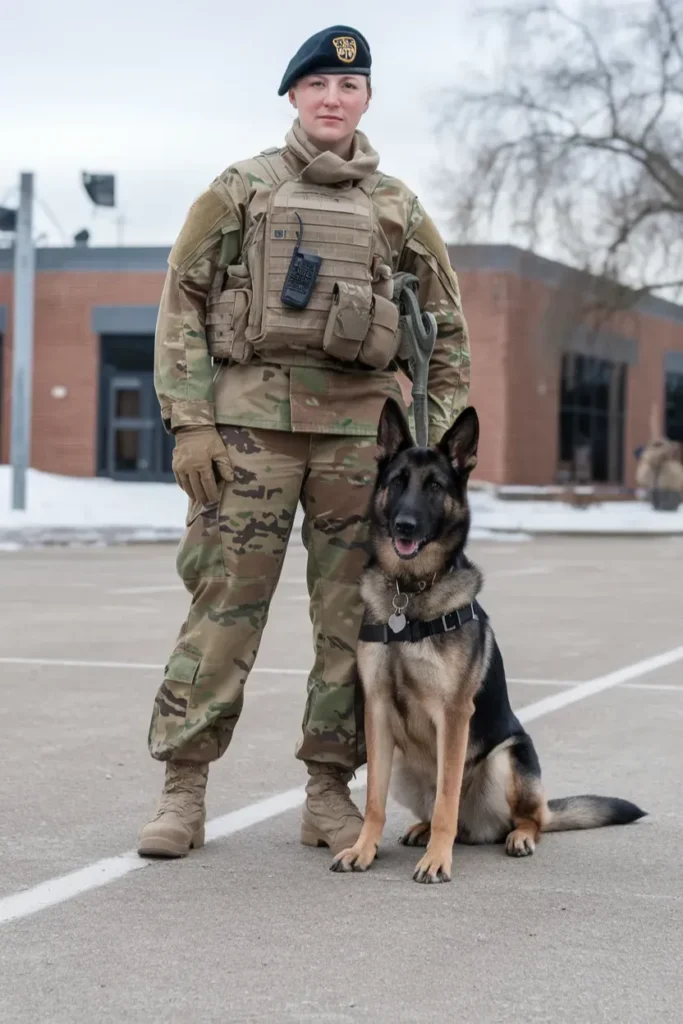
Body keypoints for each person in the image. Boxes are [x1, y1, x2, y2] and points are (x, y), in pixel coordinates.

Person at [137, 24, 471, 859]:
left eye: (348, 88)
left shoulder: (399, 208)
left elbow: (450, 333)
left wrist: (424, 460)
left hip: (363, 444)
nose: (333, 98)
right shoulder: (240, 189)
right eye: (318, 84)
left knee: (353, 625)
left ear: (365, 101)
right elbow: (180, 305)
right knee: (223, 610)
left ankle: (329, 791)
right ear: (293, 94)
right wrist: (190, 421)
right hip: (248, 433)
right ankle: (183, 791)